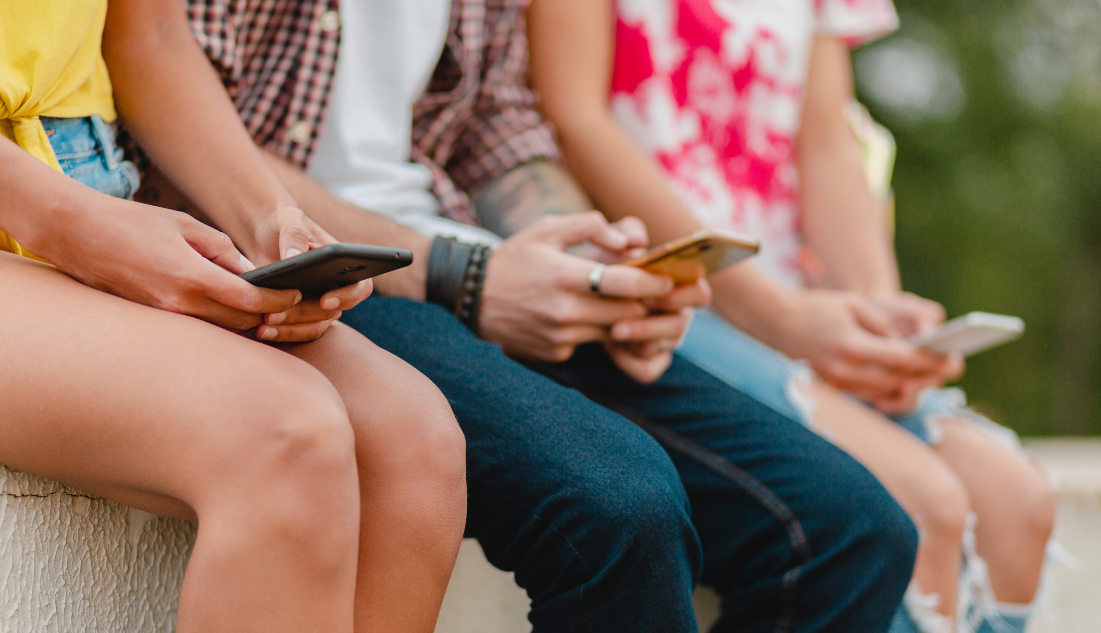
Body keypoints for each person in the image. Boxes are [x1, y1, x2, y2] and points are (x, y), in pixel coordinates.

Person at [156, 0, 923, 630]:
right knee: (622, 506)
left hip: (462, 254)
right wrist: (467, 274)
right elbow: (176, 127)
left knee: (849, 531)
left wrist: (595, 266)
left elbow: (497, 121)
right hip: (319, 273)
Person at [526, 0, 1057, 631]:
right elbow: (574, 118)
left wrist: (877, 317)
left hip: (796, 299)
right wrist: (777, 314)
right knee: (923, 502)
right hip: (661, 301)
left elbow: (827, 140)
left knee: (1017, 500)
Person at [0, 1, 467, 631]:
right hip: (43, 210)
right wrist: (70, 226)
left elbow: (151, 33)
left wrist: (267, 218)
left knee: (414, 442)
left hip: (88, 181)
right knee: (286, 435)